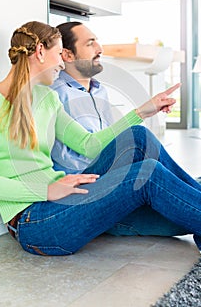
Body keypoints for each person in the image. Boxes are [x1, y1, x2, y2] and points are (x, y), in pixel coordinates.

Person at [0, 20, 200, 257]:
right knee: (148, 174)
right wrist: (46, 190)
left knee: (174, 202)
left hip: (68, 199)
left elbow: (89, 146)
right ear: (39, 52)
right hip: (34, 221)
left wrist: (141, 112)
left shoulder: (47, 99)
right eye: (58, 54)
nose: (61, 63)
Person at [50, 21, 189, 237]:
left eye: (98, 41)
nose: (100, 49)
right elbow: (90, 147)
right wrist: (141, 112)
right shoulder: (56, 94)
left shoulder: (99, 90)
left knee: (182, 214)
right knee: (180, 214)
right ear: (67, 55)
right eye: (90, 43)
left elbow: (109, 140)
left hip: (111, 174)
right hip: (84, 183)